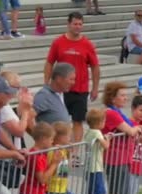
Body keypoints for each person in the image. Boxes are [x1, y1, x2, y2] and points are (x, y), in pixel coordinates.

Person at [100, 81, 142, 194]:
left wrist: (138, 129)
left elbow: (132, 130)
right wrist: (137, 129)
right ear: (113, 98)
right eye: (122, 95)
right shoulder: (111, 113)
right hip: (115, 159)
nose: (125, 98)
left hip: (122, 159)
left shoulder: (117, 112)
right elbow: (130, 130)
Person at [44, 11, 100, 145]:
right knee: (59, 120)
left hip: (80, 89)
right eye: (75, 24)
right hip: (60, 89)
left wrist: (95, 88)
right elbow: (49, 63)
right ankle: (57, 148)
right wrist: (46, 83)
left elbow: (95, 67)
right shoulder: (58, 42)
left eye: (80, 24)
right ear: (68, 24)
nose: (78, 27)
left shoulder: (87, 44)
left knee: (78, 121)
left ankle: (74, 153)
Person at [45, 122, 86, 194]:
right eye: (68, 136)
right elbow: (52, 170)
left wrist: (69, 154)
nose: (70, 139)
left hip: (63, 189)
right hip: (53, 189)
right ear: (60, 137)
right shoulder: (53, 151)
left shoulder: (64, 150)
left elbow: (66, 170)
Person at [84, 108, 110, 194]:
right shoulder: (97, 132)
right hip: (96, 168)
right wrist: (108, 139)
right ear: (99, 122)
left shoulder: (88, 132)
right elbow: (106, 146)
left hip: (89, 167)